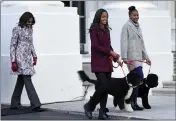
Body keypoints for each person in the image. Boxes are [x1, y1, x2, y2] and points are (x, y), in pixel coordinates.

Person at [84, 8, 120, 120]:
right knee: (103, 86)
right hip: (98, 62)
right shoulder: (94, 29)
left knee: (105, 88)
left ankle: (102, 112)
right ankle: (89, 106)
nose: (105, 19)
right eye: (103, 17)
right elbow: (96, 46)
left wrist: (115, 57)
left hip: (107, 63)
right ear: (98, 17)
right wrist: (110, 52)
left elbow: (108, 46)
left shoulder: (107, 30)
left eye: (106, 17)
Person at [120, 6, 151, 111]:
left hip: (139, 59)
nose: (136, 17)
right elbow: (124, 43)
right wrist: (124, 57)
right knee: (137, 79)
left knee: (137, 80)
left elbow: (142, 44)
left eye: (137, 15)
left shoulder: (138, 27)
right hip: (131, 58)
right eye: (134, 15)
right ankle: (132, 102)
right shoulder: (126, 26)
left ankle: (133, 102)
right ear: (129, 16)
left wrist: (146, 58)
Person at [10, 11, 41, 110]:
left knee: (21, 80)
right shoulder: (17, 29)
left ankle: (15, 103)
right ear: (23, 20)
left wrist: (34, 56)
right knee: (27, 79)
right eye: (28, 22)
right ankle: (35, 103)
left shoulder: (30, 29)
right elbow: (13, 46)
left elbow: (31, 44)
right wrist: (13, 61)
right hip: (19, 58)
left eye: (31, 22)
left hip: (27, 58)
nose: (29, 24)